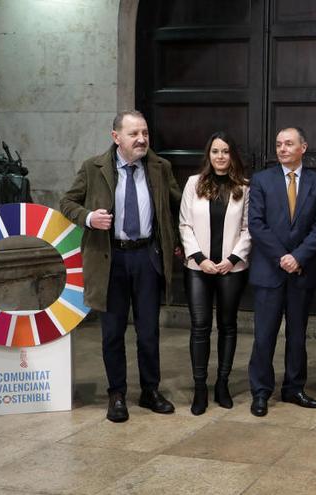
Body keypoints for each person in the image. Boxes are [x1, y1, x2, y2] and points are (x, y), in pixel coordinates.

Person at [60, 110, 181, 423]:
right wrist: (89, 218)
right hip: (109, 258)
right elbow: (67, 203)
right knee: (112, 332)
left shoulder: (160, 167)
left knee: (149, 332)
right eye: (134, 134)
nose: (141, 139)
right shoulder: (93, 167)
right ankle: (116, 394)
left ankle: (150, 390)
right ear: (116, 137)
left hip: (146, 257)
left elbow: (179, 204)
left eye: (145, 133)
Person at [247, 127, 316, 417]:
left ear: (303, 147)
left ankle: (294, 387)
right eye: (279, 144)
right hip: (269, 270)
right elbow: (256, 224)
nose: (282, 149)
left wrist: (298, 257)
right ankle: (260, 391)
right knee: (264, 335)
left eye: (289, 144)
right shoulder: (261, 180)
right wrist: (282, 256)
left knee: (297, 334)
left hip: (302, 271)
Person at [179, 131, 251, 415]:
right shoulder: (193, 184)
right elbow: (185, 225)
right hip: (198, 268)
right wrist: (200, 258)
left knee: (228, 325)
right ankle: (200, 389)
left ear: (232, 155)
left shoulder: (245, 187)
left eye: (225, 151)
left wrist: (232, 259)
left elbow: (248, 228)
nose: (220, 156)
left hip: (232, 268)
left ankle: (222, 384)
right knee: (200, 326)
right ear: (208, 155)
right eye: (215, 151)